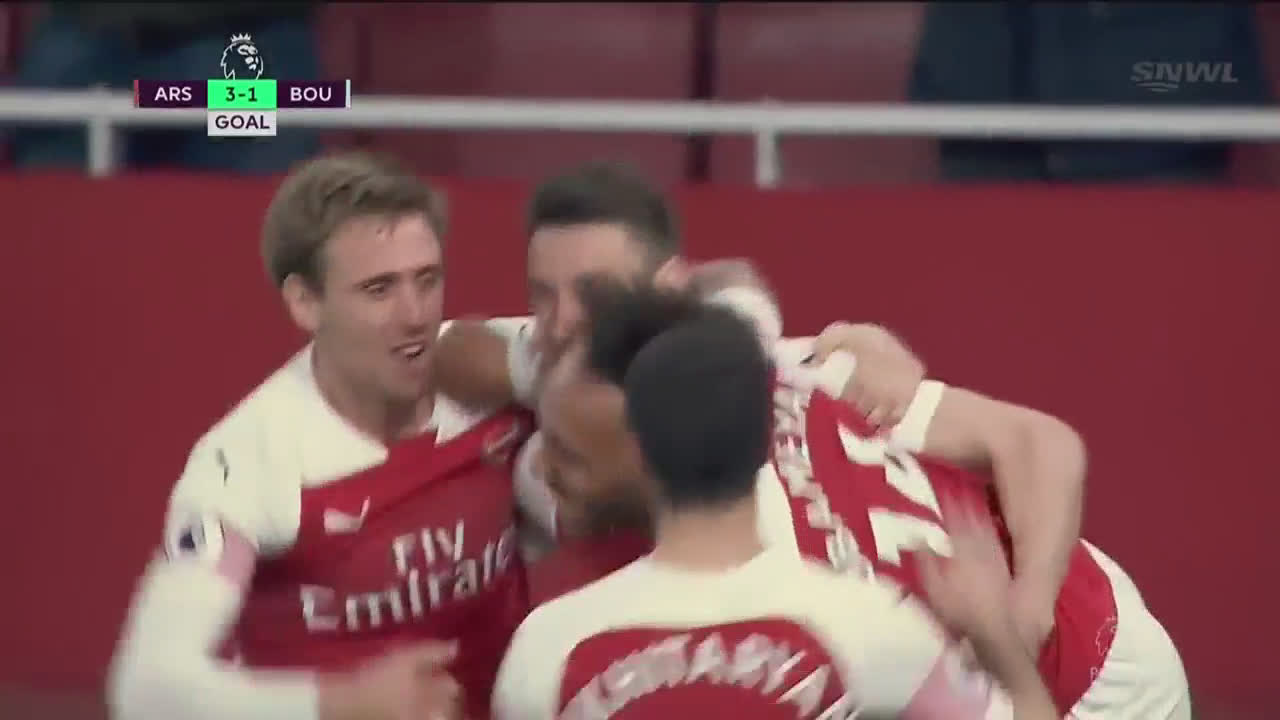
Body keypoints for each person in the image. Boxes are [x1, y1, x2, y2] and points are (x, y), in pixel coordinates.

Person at [431, 161, 1081, 643]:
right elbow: (446, 348)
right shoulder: (558, 430)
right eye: (541, 295)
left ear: (669, 292)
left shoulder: (801, 367)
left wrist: (1028, 612)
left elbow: (1038, 443)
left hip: (1075, 645)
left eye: (596, 294)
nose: (562, 321)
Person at [524, 283, 1192, 719]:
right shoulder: (758, 375)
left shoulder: (789, 601)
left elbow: (1036, 442)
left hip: (1088, 685)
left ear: (650, 445)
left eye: (568, 454)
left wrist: (1026, 612)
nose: (541, 468)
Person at [107, 152, 536, 720]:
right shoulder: (250, 460)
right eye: (378, 289)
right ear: (305, 302)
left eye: (427, 280)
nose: (415, 315)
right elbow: (145, 689)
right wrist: (344, 704)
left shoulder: (495, 368)